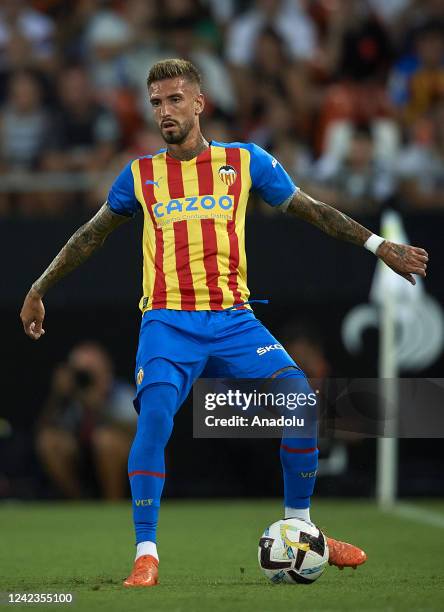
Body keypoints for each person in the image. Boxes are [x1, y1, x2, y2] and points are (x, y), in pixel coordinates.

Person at [20, 59, 428, 588]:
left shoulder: (244, 161)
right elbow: (89, 236)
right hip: (168, 320)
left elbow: (311, 208)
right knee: (156, 418)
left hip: (235, 319)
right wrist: (38, 288)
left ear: (198, 103)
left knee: (301, 400)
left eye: (173, 99)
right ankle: (147, 554)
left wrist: (379, 245)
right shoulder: (139, 176)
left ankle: (302, 530)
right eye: (155, 103)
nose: (164, 111)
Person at [36, 342, 136, 501]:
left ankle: (113, 502)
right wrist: (57, 395)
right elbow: (44, 428)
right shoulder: (72, 398)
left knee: (105, 440)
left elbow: (140, 429)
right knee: (49, 441)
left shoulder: (121, 393)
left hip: (125, 460)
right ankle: (78, 501)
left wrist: (98, 406)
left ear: (106, 370)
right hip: (83, 457)